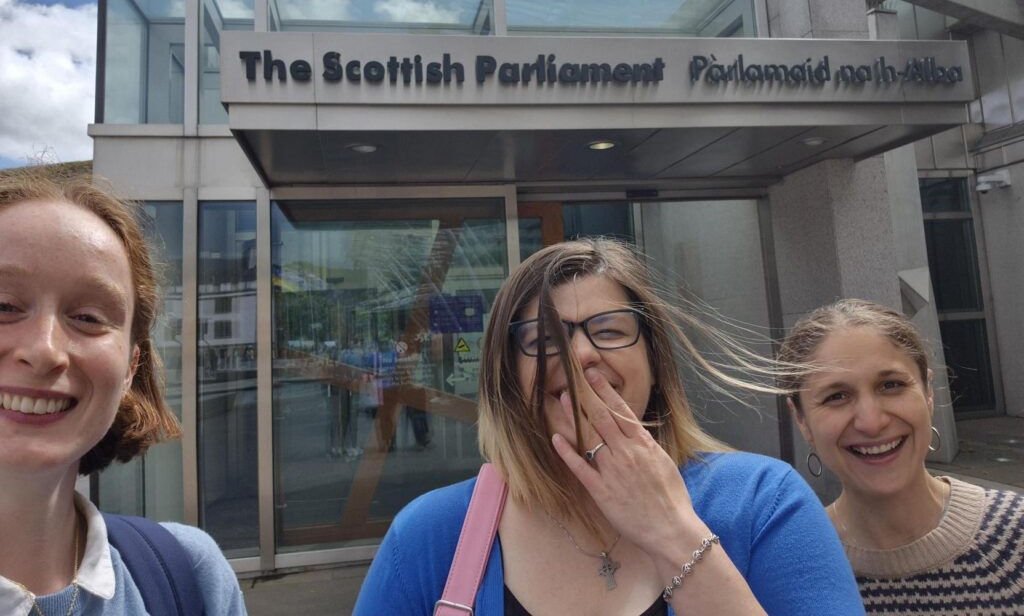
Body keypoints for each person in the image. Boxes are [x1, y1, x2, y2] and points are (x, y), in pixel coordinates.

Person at [355, 238, 863, 615]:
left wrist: (673, 533)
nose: (580, 355)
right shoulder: (428, 536)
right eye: (542, 339)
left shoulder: (765, 504)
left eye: (609, 330)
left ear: (654, 360)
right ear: (506, 377)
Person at [0, 172, 247, 615]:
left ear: (132, 368)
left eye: (89, 317)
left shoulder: (191, 576)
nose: (44, 351)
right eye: (3, 306)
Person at [778, 299, 1024, 614]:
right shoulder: (787, 571)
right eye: (836, 396)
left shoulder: (1014, 537)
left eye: (891, 385)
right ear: (801, 420)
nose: (871, 422)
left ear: (929, 393)